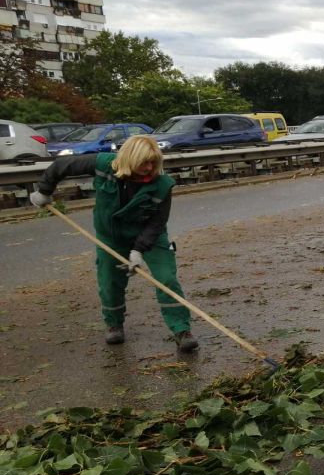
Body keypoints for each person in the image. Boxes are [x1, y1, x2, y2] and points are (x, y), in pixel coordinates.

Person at [29, 136, 199, 352]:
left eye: (152, 163)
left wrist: (138, 250)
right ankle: (114, 325)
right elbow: (61, 165)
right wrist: (44, 191)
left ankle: (181, 330)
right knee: (109, 281)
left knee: (167, 279)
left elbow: (157, 223)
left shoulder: (162, 184)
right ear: (129, 159)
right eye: (143, 163)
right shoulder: (103, 165)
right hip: (111, 237)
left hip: (150, 237)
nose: (149, 168)